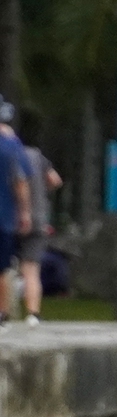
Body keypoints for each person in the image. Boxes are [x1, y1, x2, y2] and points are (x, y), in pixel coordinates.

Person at [12, 113, 57, 324]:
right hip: (39, 219)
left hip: (14, 219)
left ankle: (6, 312)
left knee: (6, 269)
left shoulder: (9, 154)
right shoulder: (36, 155)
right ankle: (33, 315)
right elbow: (55, 180)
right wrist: (42, 191)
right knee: (31, 270)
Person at [0, 104, 28, 326]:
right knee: (2, 267)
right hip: (4, 216)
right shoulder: (12, 147)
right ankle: (3, 312)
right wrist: (25, 213)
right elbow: (20, 183)